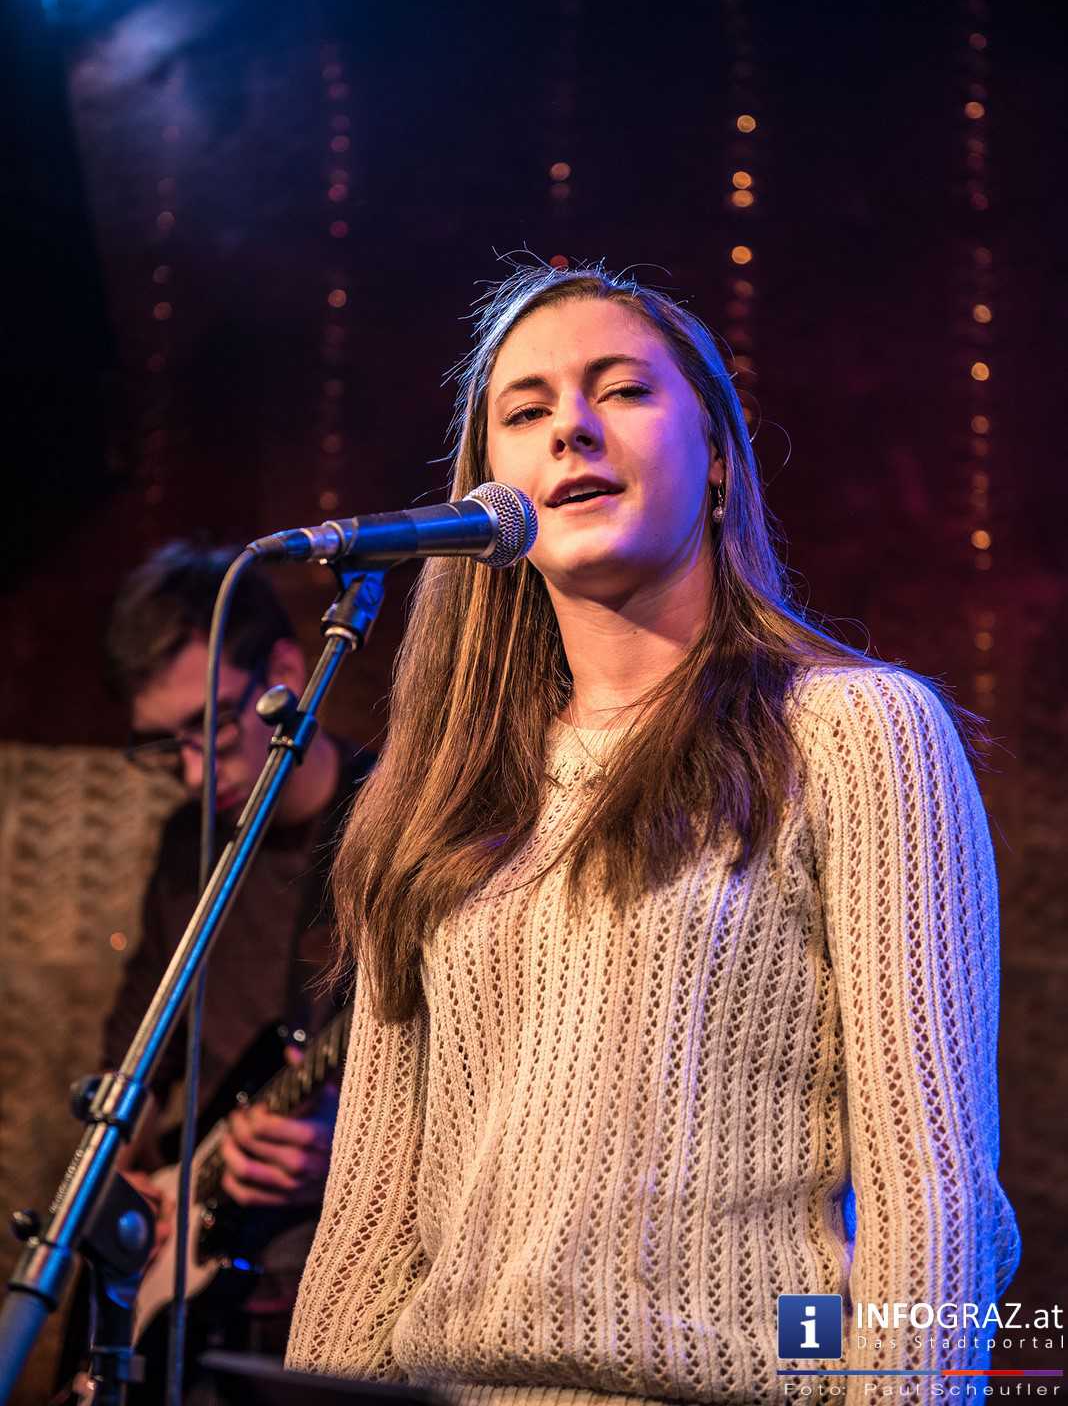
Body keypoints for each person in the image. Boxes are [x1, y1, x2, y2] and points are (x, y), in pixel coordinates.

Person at [285, 262, 1021, 1406]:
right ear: (490, 490)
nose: (569, 428)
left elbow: (932, 1181)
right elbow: (371, 1218)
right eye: (524, 413)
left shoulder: (853, 731)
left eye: (619, 391)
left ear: (719, 456)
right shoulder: (434, 794)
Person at [59, 543, 374, 1402]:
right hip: (181, 1276)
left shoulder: (393, 832)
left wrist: (345, 1151)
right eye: (167, 748)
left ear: (284, 669)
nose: (197, 775)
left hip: (320, 1291)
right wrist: (117, 1166)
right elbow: (138, 1050)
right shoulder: (184, 848)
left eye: (213, 731)